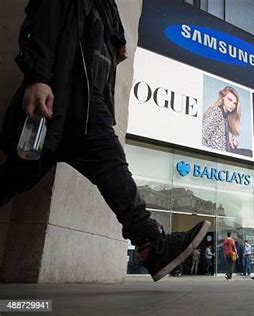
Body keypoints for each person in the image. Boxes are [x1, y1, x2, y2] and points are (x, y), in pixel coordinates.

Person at [0, 0, 210, 282]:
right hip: (67, 95)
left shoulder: (108, 7)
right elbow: (42, 22)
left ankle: (151, 243)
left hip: (85, 104)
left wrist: (115, 43)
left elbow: (108, 45)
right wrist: (37, 76)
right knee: (108, 161)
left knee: (15, 176)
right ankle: (151, 243)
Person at [202, 86, 241, 152]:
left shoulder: (226, 117)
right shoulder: (216, 112)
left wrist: (232, 144)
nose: (232, 105)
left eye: (235, 103)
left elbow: (219, 141)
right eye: (230, 100)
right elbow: (202, 136)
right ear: (223, 97)